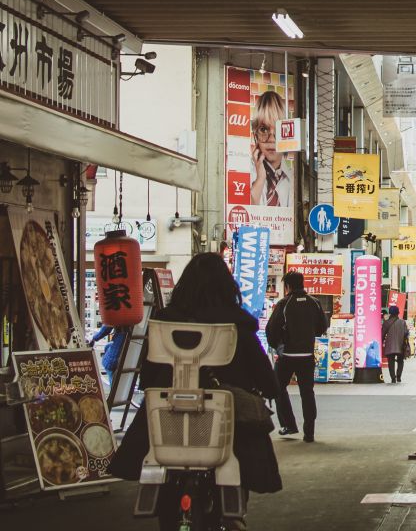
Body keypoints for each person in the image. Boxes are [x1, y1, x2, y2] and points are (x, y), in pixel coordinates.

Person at [109, 253, 281, 529]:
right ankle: (234, 515)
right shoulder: (239, 326)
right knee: (242, 447)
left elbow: (148, 380)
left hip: (169, 428)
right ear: (228, 287)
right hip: (226, 432)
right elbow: (268, 382)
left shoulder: (164, 323)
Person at [266, 270, 328, 442]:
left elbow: (271, 330)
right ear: (302, 283)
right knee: (307, 392)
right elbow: (322, 326)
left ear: (287, 286)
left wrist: (279, 346)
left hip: (287, 356)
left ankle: (289, 425)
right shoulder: (314, 302)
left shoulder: (285, 303)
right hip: (307, 355)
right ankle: (309, 432)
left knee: (278, 388)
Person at [250, 90, 294, 208]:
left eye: (278, 131)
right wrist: (260, 179)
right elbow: (244, 212)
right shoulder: (247, 174)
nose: (271, 139)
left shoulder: (294, 179)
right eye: (264, 129)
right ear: (255, 135)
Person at [382, 306, 409, 383]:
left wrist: (381, 343)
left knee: (391, 362)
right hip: (400, 345)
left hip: (390, 345)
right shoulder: (402, 322)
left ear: (390, 313)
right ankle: (399, 377)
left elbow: (382, 334)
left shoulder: (386, 322)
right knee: (400, 361)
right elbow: (406, 333)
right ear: (398, 313)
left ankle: (393, 378)